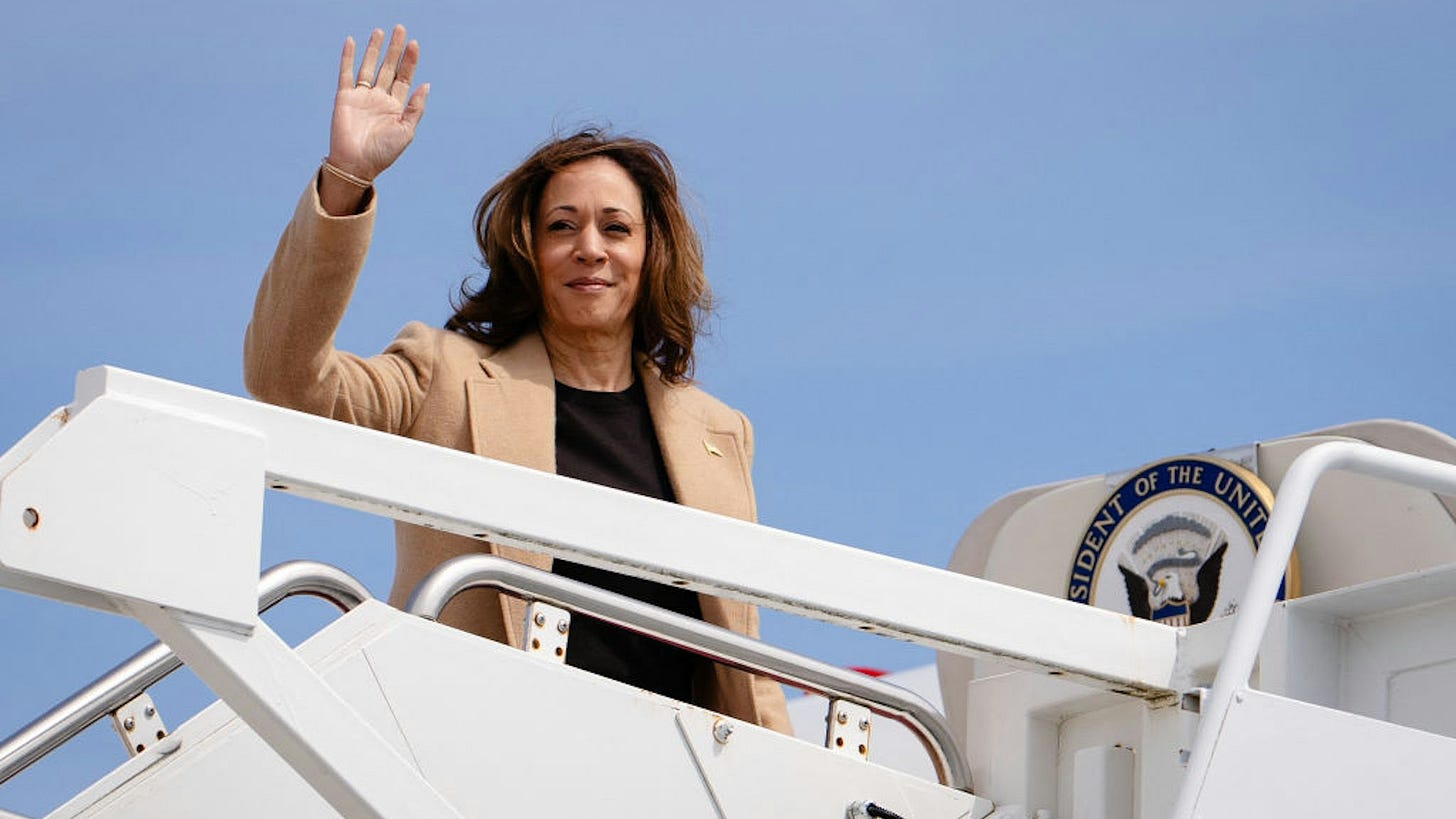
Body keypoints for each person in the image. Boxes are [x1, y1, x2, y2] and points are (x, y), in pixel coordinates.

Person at [244, 25, 789, 732]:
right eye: (562, 226)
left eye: (616, 228)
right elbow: (286, 378)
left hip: (676, 771)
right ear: (529, 250)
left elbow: (744, 661)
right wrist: (347, 182)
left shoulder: (719, 431)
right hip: (489, 753)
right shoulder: (443, 374)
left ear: (651, 251)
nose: (590, 247)